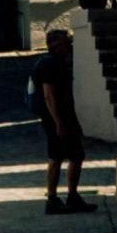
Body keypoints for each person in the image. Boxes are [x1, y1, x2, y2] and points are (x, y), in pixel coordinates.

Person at [33, 25, 87, 212]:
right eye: (67, 43)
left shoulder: (56, 62)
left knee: (73, 155)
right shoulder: (50, 64)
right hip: (57, 119)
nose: (70, 46)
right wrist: (59, 122)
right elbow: (49, 95)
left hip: (63, 117)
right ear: (56, 45)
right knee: (59, 156)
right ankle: (55, 198)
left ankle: (69, 196)